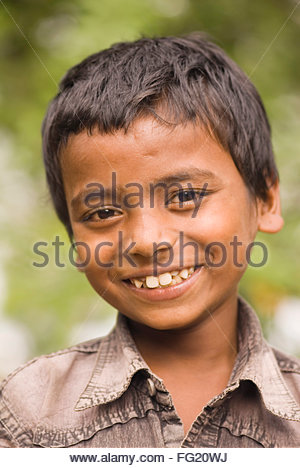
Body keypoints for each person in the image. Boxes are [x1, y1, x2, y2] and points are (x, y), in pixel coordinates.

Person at [0, 33, 299, 448]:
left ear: (264, 200)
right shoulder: (25, 413)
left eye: (186, 196)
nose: (145, 241)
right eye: (103, 213)